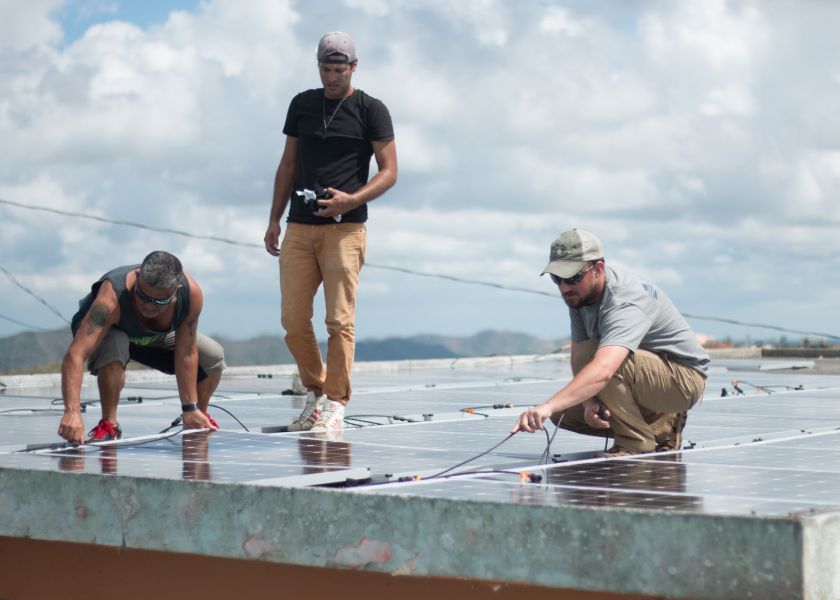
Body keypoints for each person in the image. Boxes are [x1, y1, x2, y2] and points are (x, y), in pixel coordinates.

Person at [263, 31, 398, 433]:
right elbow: (288, 164)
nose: (332, 76)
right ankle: (317, 392)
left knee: (339, 321)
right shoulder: (302, 104)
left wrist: (349, 200)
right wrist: (274, 218)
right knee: (292, 320)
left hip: (345, 228)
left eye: (339, 69)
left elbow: (390, 171)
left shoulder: (372, 109)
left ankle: (336, 403)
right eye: (326, 68)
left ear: (353, 67)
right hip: (299, 227)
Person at [512, 229, 709, 456]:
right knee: (561, 414)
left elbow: (604, 368)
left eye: (573, 277)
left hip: (683, 381)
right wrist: (589, 403)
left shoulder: (624, 300)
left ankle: (634, 442)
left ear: (598, 269)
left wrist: (547, 405)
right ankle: (662, 426)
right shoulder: (579, 297)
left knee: (592, 361)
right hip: (646, 379)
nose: (565, 287)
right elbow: (578, 356)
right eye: (557, 279)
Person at [58, 251, 226, 443]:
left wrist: (190, 407)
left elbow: (186, 351)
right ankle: (109, 424)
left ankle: (196, 417)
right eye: (143, 296)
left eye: (160, 301)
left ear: (176, 289)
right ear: (138, 277)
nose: (149, 306)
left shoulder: (191, 295)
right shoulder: (111, 298)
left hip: (151, 336)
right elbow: (76, 354)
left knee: (213, 355)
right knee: (116, 343)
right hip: (108, 331)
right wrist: (72, 412)